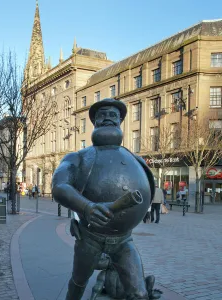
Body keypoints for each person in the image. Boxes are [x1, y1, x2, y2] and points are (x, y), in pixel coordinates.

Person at [52, 98, 160, 300]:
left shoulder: (135, 159)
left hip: (123, 239)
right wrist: (87, 207)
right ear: (95, 122)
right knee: (78, 283)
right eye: (103, 115)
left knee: (139, 293)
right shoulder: (78, 157)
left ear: (120, 121)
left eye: (113, 115)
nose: (108, 118)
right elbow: (59, 186)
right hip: (90, 237)